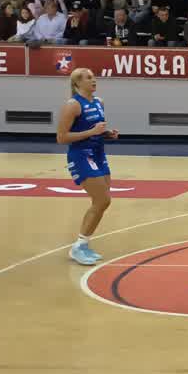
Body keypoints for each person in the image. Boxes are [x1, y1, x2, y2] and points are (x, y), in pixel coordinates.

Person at [56, 68, 118, 266]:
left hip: (99, 154)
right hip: (81, 155)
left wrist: (106, 134)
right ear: (77, 83)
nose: (94, 80)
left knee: (102, 202)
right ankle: (78, 246)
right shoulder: (73, 105)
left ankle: (83, 244)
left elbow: (94, 130)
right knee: (103, 199)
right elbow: (61, 138)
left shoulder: (99, 102)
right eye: (89, 78)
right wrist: (92, 132)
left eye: (93, 77)